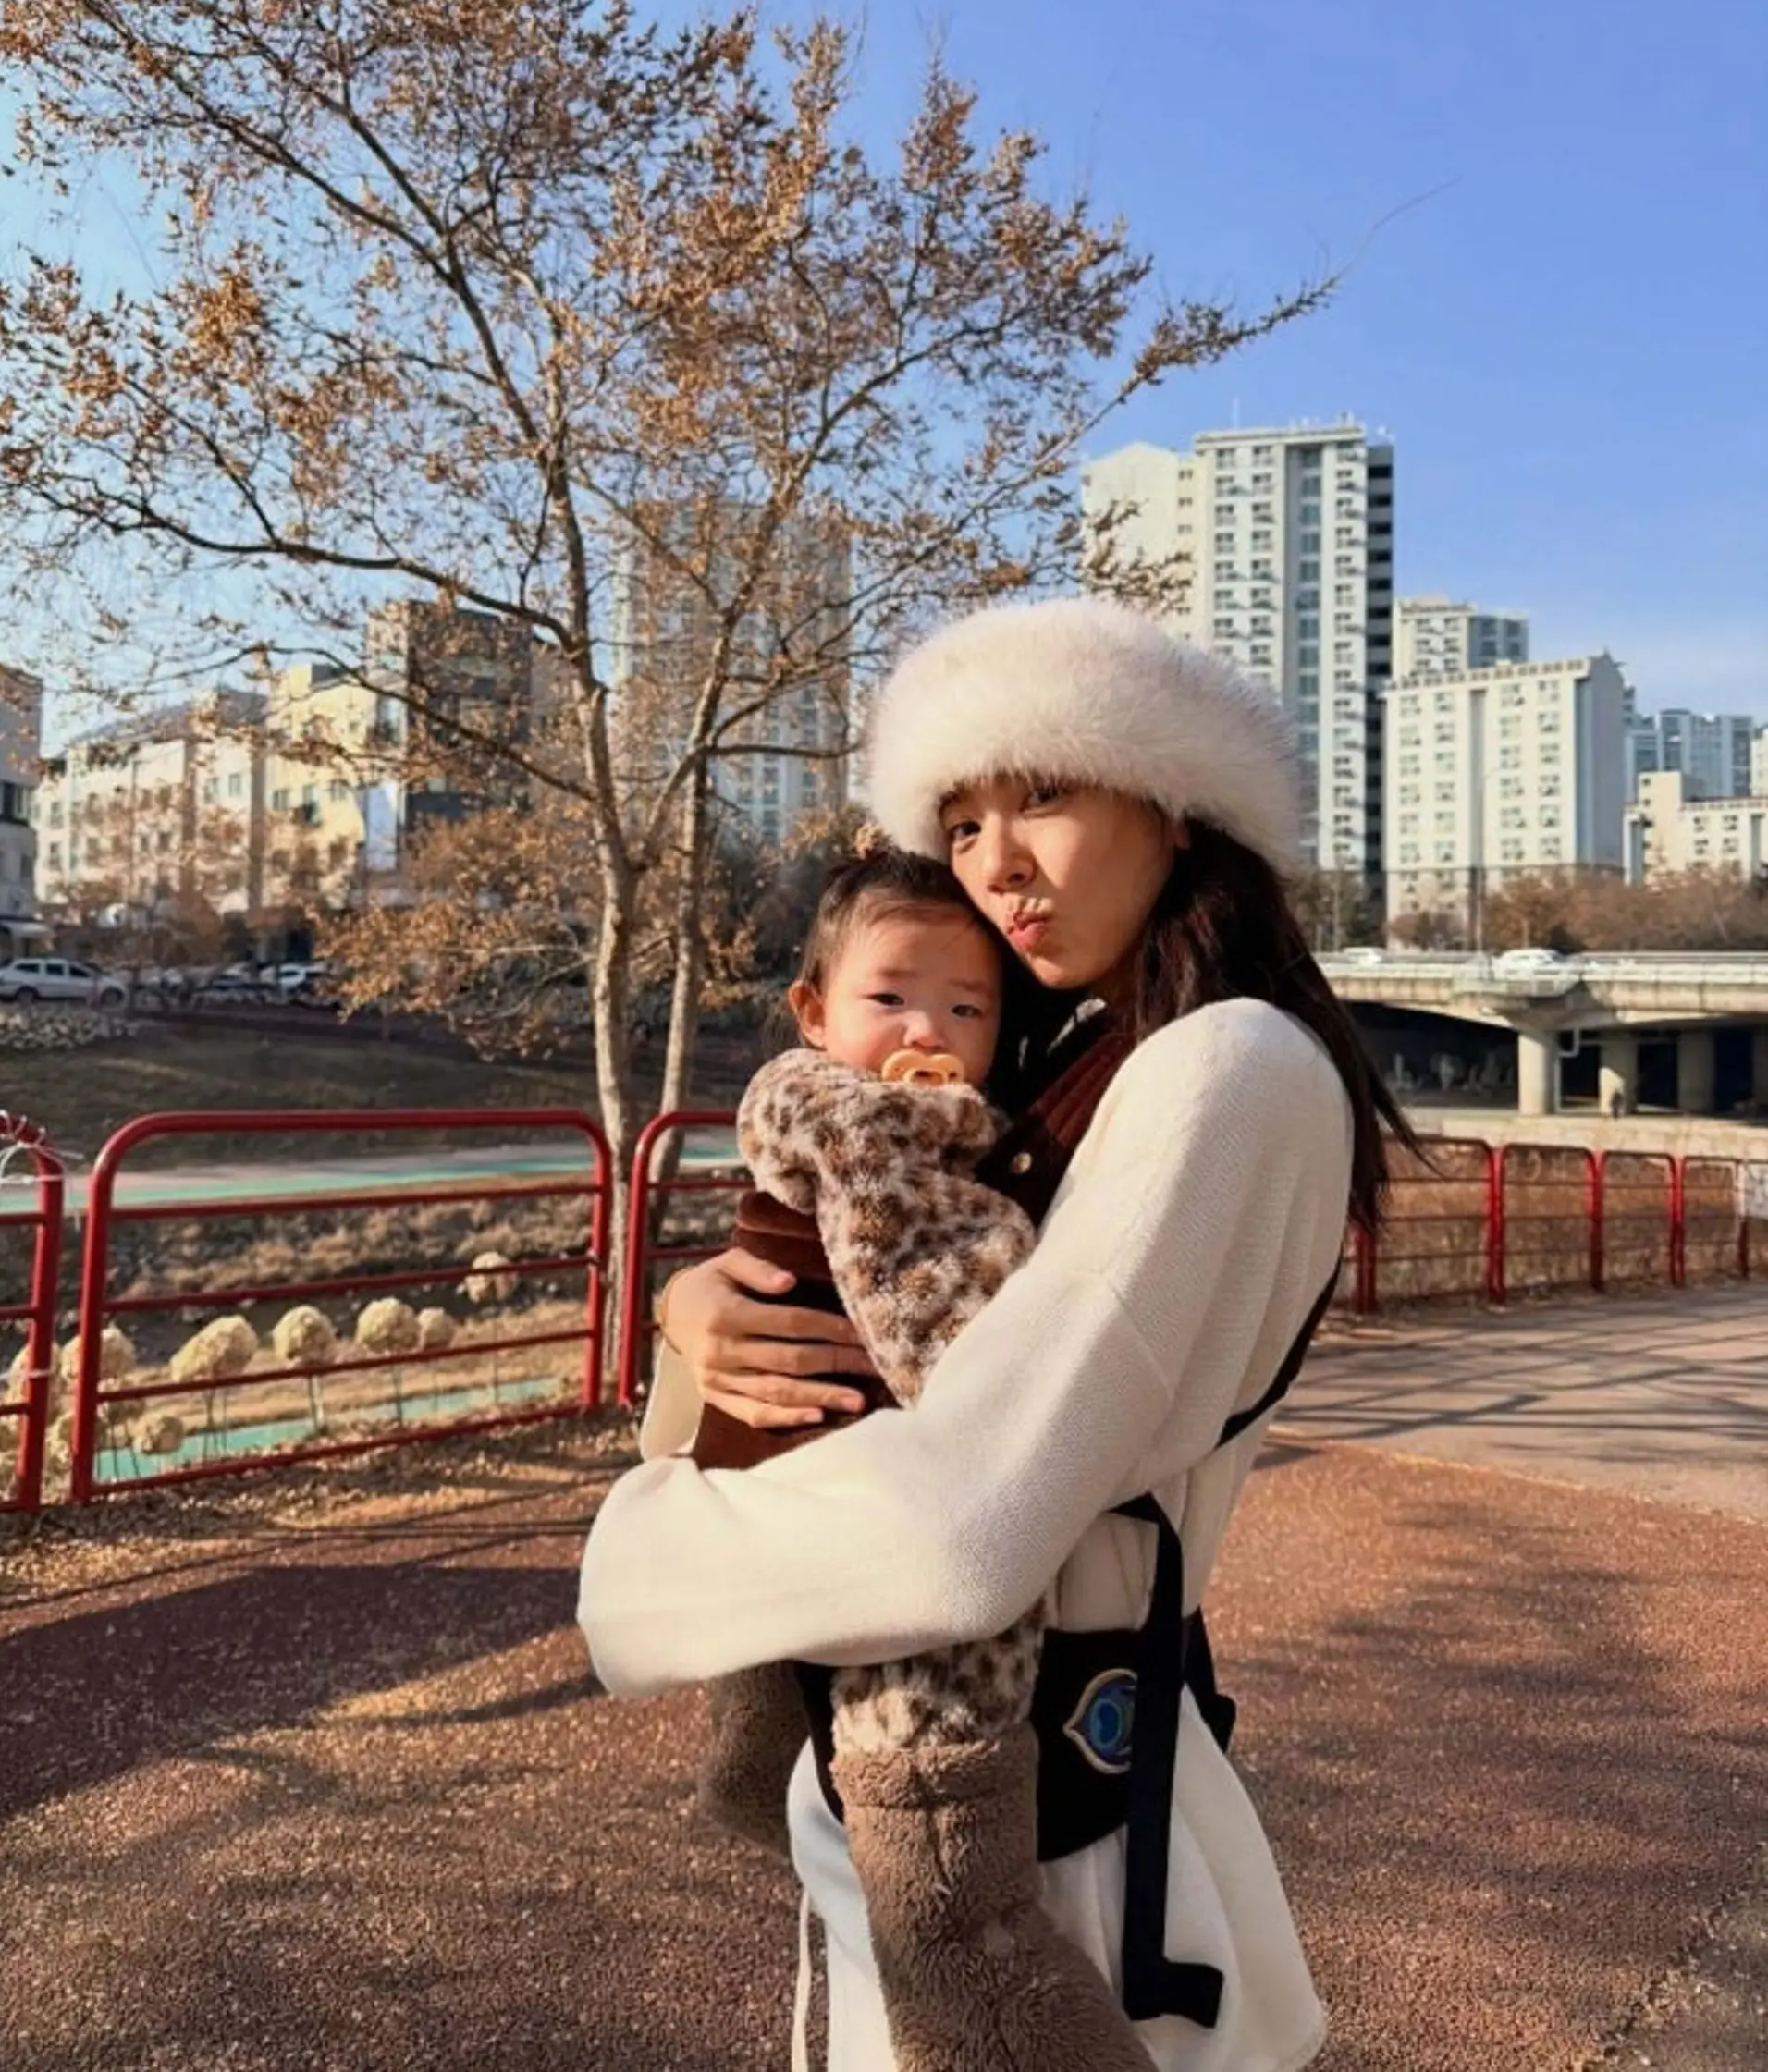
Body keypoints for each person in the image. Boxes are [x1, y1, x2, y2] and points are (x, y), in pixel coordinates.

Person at [580, 595, 1413, 2072]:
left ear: (1177, 806)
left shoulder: (1222, 1067)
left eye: (1043, 794)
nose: (997, 865)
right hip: (980, 1745)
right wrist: (699, 1315)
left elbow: (967, 1517)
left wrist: (637, 1559)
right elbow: (895, 1331)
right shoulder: (1078, 1059)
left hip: (1053, 1812)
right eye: (960, 823)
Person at [694, 840, 1152, 2071]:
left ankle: (754, 1769)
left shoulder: (865, 1116)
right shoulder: (876, 1129)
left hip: (777, 1499)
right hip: (883, 1523)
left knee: (763, 1686)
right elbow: (942, 1327)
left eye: (967, 1008)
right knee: (948, 1876)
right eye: (891, 997)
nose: (928, 1030)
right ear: (812, 1010)